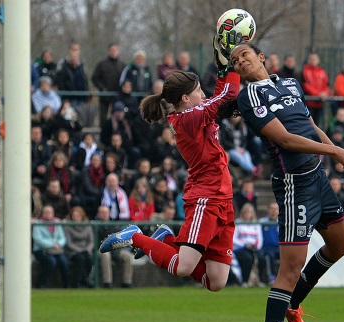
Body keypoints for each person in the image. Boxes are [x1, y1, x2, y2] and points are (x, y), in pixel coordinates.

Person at [230, 42, 344, 322]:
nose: (240, 60)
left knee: (341, 245)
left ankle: (293, 303)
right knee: (289, 270)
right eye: (234, 60)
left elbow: (306, 126)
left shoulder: (290, 84)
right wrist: (337, 149)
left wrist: (336, 153)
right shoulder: (248, 99)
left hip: (318, 177)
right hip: (294, 185)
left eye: (245, 54)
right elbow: (287, 140)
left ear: (261, 57)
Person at [100, 35, 242, 292]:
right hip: (206, 197)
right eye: (198, 90)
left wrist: (223, 69)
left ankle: (164, 237)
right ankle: (134, 236)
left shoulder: (193, 111)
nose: (203, 93)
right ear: (186, 99)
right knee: (183, 267)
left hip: (223, 196)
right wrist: (231, 64)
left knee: (217, 281)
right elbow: (229, 96)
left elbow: (222, 95)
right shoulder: (188, 118)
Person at [94, 205, 134, 288]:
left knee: (127, 256)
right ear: (98, 214)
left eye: (106, 213)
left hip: (114, 249)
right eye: (103, 213)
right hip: (101, 250)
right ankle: (107, 282)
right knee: (106, 255)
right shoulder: (95, 225)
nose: (105, 214)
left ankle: (127, 282)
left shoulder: (113, 225)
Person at [32, 205, 69, 288]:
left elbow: (62, 237)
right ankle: (41, 283)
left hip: (56, 250)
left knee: (63, 261)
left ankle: (66, 285)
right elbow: (38, 239)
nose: (48, 214)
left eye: (49, 212)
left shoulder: (57, 222)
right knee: (51, 262)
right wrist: (52, 245)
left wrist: (59, 244)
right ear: (42, 213)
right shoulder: (38, 223)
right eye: (46, 212)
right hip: (41, 250)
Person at [231, 203, 268, 287]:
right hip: (241, 248)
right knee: (247, 258)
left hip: (254, 247)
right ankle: (245, 281)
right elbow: (234, 238)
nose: (248, 214)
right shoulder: (237, 223)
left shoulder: (256, 224)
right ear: (243, 213)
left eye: (250, 212)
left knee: (262, 258)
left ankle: (260, 280)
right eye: (246, 212)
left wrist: (255, 246)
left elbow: (260, 238)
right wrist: (245, 244)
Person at [91, 43, 126, 122]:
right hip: (105, 96)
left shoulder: (122, 65)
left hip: (118, 96)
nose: (113, 52)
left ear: (118, 51)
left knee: (117, 117)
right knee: (103, 117)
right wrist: (102, 88)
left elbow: (126, 79)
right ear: (108, 52)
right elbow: (95, 78)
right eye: (111, 50)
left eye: (115, 50)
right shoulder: (102, 64)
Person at [63, 206, 94, 288]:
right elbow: (68, 242)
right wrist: (79, 250)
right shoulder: (67, 226)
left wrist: (87, 249)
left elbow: (91, 241)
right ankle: (78, 281)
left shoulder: (87, 225)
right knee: (80, 259)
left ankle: (85, 278)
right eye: (74, 216)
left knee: (89, 258)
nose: (76, 218)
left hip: (86, 249)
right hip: (73, 250)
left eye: (78, 216)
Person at [301, 52, 330, 127]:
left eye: (315, 59)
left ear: (318, 60)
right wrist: (318, 94)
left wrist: (325, 93)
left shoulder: (322, 72)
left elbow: (326, 85)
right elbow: (306, 85)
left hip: (320, 103)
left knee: (318, 124)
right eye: (311, 59)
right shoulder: (305, 72)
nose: (313, 60)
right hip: (309, 103)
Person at [259, 201, 280, 285]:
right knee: (269, 256)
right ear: (268, 210)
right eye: (272, 209)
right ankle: (271, 277)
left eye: (275, 209)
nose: (274, 211)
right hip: (267, 248)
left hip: (279, 248)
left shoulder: (282, 222)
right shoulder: (262, 222)